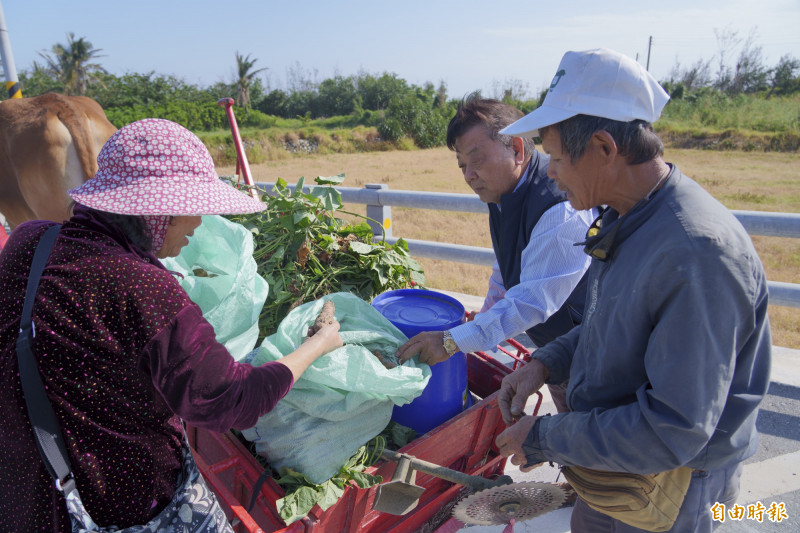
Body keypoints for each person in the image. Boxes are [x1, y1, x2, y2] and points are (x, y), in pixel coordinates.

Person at [0, 118, 343, 532]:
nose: (199, 223)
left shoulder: (30, 240)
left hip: (23, 491)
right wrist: (318, 345)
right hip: (122, 508)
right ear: (156, 213)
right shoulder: (145, 289)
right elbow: (233, 399)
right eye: (191, 207)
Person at [494, 48, 772, 532]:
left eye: (556, 157)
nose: (550, 172)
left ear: (604, 148)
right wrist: (545, 363)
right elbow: (611, 322)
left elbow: (673, 428)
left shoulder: (695, 253)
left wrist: (544, 436)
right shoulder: (628, 215)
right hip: (618, 461)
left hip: (674, 483)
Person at [396, 94, 595, 414]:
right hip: (559, 355)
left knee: (594, 438)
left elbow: (530, 303)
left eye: (476, 161)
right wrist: (485, 315)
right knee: (570, 424)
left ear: (516, 149)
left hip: (596, 357)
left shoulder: (560, 207)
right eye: (462, 165)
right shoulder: (505, 194)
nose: (468, 175)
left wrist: (452, 340)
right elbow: (506, 267)